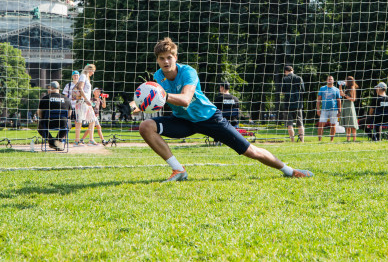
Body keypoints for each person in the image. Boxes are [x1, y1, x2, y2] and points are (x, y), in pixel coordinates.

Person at [138, 37, 313, 182]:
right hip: (183, 121)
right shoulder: (157, 76)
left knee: (250, 151)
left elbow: (184, 100)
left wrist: (162, 95)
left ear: (176, 57)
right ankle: (178, 170)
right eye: (161, 58)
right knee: (146, 126)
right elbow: (153, 99)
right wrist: (141, 104)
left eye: (169, 57)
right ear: (157, 60)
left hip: (209, 118)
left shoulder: (188, 72)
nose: (166, 61)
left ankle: (290, 171)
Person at [37, 81, 72, 149]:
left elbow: (40, 114)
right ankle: (58, 140)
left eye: (48, 88)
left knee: (40, 124)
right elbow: (69, 114)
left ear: (52, 88)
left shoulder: (44, 99)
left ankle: (51, 141)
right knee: (69, 123)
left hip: (47, 123)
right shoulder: (67, 100)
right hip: (62, 123)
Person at [280, 65, 305, 142]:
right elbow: (303, 90)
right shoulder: (299, 78)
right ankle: (302, 141)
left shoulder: (285, 79)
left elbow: (283, 91)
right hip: (298, 104)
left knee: (289, 123)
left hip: (288, 104)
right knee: (300, 123)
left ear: (285, 71)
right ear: (292, 70)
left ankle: (292, 141)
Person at [72, 64, 96, 146]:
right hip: (82, 102)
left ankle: (91, 140)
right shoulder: (83, 76)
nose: (93, 73)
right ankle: (77, 141)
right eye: (93, 71)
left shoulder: (87, 78)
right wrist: (86, 99)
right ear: (89, 69)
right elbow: (80, 87)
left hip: (87, 102)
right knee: (79, 121)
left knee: (92, 119)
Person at [316, 76, 342, 142]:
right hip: (324, 109)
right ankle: (319, 140)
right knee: (321, 124)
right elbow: (319, 99)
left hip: (334, 109)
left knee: (333, 125)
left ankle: (331, 140)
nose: (330, 80)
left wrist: (339, 111)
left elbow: (339, 101)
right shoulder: (322, 88)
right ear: (326, 80)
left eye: (331, 79)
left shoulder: (336, 89)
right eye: (328, 79)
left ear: (333, 81)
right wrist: (318, 109)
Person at [340, 76, 359, 142]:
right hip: (345, 105)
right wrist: (340, 86)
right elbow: (341, 94)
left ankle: (354, 139)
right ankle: (348, 139)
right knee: (347, 124)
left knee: (352, 124)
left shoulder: (352, 88)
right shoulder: (347, 88)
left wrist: (345, 95)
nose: (345, 81)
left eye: (346, 80)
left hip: (350, 106)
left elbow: (353, 99)